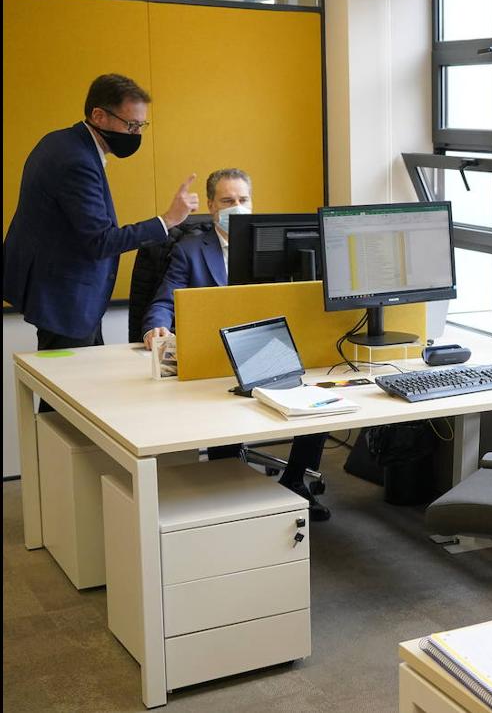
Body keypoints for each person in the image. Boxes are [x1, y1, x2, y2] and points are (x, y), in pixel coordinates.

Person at [142, 168, 332, 521]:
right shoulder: (189, 249)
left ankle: (295, 482)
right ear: (212, 206)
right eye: (228, 201)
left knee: (318, 399)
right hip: (211, 355)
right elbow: (164, 302)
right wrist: (156, 327)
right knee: (222, 410)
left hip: (266, 348)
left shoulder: (274, 241)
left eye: (244, 200)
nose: (237, 207)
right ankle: (229, 490)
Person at [3, 73, 198, 353]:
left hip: (65, 293)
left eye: (141, 125)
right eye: (131, 125)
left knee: (73, 390)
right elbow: (101, 241)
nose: (137, 135)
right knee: (66, 392)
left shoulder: (61, 142)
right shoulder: (76, 161)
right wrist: (167, 220)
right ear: (99, 115)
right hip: (65, 300)